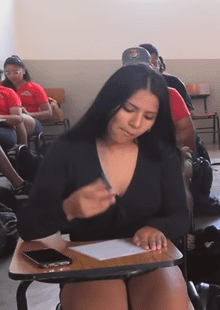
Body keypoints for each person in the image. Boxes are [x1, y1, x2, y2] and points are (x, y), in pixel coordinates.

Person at [18, 64, 190, 310]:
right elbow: (28, 226)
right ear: (109, 102)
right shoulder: (69, 150)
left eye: (148, 117)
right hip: (89, 265)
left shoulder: (161, 154)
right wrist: (67, 209)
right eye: (129, 109)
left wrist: (158, 226)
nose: (136, 123)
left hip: (148, 261)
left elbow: (181, 215)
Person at [122, 47, 196, 152]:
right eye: (131, 71)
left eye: (142, 69)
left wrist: (168, 147)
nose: (137, 75)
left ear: (152, 69)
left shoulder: (170, 94)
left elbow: (186, 130)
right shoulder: (114, 96)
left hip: (163, 155)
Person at [2, 55, 52, 145]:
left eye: (16, 72)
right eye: (8, 73)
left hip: (32, 120)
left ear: (24, 71)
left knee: (21, 118)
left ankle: (22, 150)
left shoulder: (34, 88)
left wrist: (28, 114)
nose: (12, 76)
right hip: (8, 119)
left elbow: (48, 113)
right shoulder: (3, 87)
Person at [139, 43, 194, 110]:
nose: (149, 68)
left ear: (159, 64)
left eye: (152, 64)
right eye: (145, 65)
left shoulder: (174, 83)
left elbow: (188, 111)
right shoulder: (128, 86)